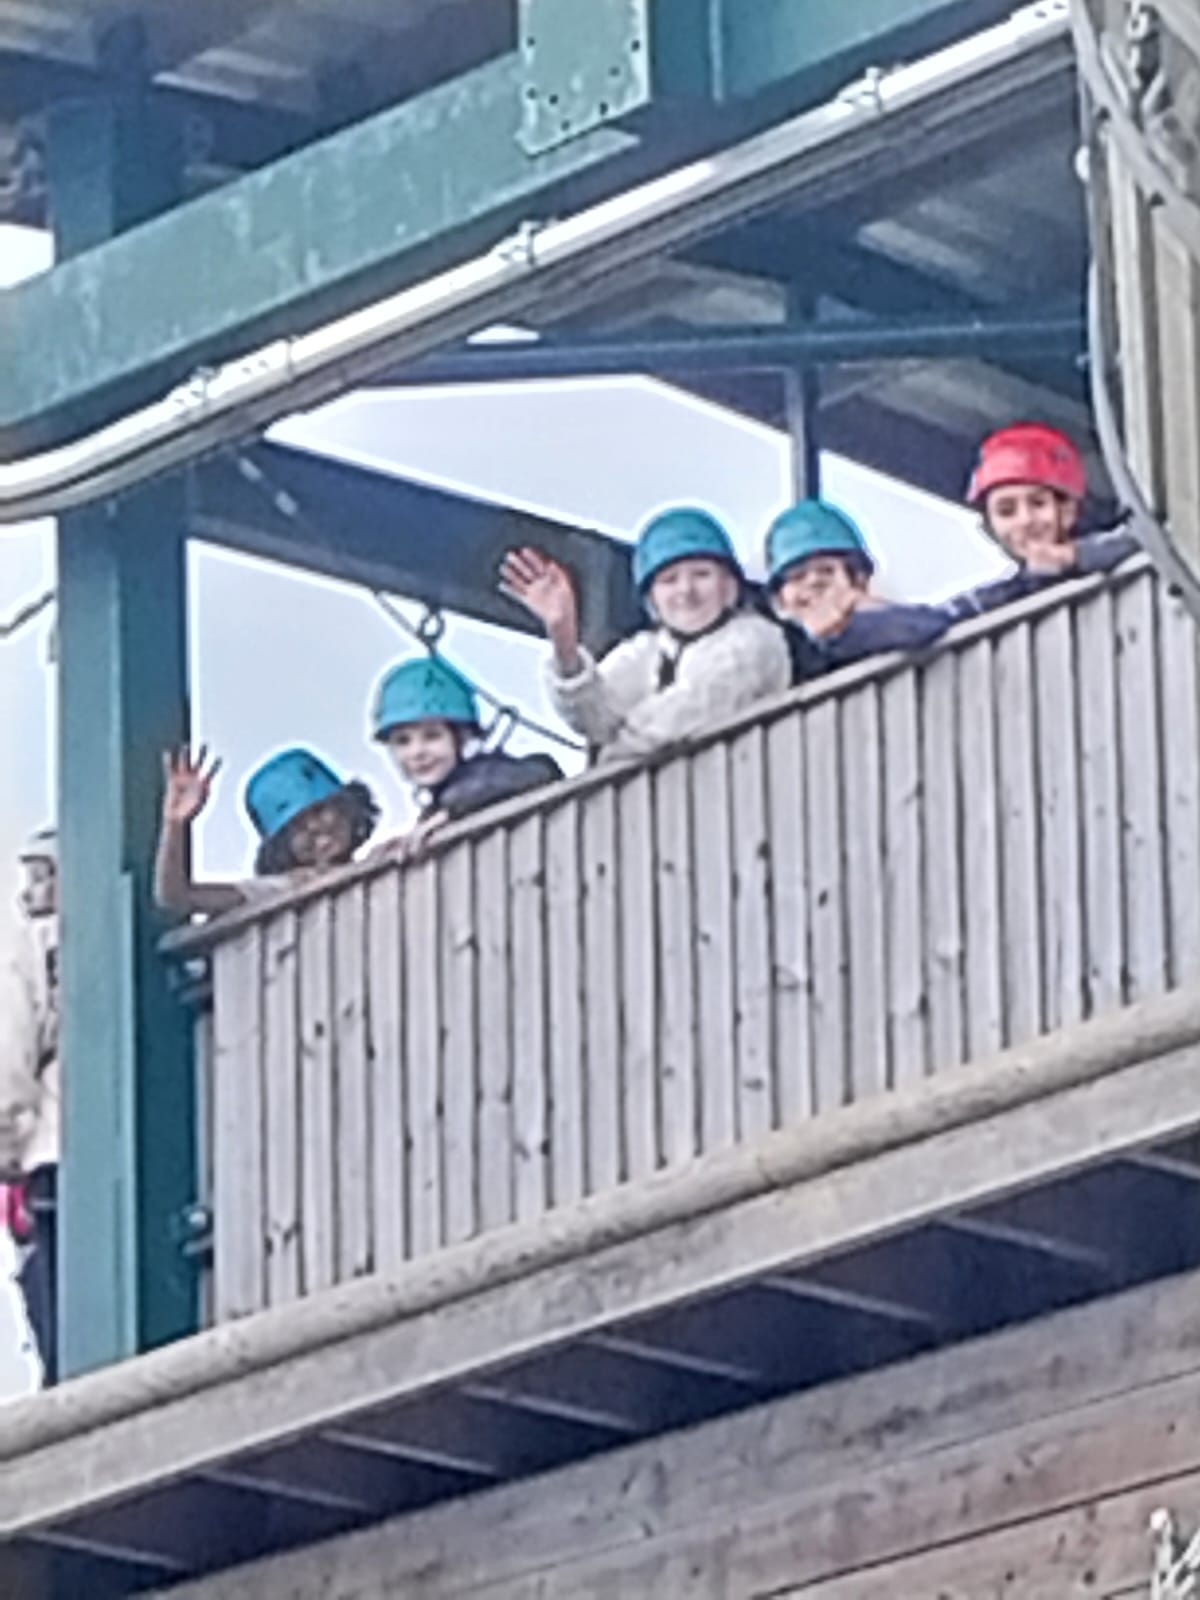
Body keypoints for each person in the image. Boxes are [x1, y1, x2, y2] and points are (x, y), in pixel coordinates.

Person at [499, 508, 791, 762]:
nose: (686, 591)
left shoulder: (755, 640)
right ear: (652, 601)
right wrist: (564, 638)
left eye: (701, 575)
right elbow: (593, 717)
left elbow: (689, 714)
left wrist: (613, 751)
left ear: (730, 587)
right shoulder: (646, 651)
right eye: (669, 580)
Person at [155, 745, 380, 917]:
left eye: (320, 810)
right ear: (281, 846)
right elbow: (175, 897)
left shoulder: (379, 867)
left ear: (348, 808)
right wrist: (175, 824)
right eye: (296, 827)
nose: (314, 827)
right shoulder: (279, 889)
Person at [371, 655, 562, 854]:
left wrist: (450, 812)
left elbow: (541, 770)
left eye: (432, 736)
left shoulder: (490, 773)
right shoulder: (436, 811)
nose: (417, 752)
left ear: (462, 737)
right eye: (403, 741)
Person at [947, 423, 1139, 618]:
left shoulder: (1122, 548)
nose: (1025, 520)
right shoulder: (1009, 593)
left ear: (1067, 511)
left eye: (1038, 503)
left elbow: (1150, 540)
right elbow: (978, 602)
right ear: (990, 527)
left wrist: (1072, 556)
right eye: (1006, 511)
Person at [0, 828, 61, 1385]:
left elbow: (10, 1055)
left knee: (55, 1286)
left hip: (50, 1147)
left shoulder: (31, 944)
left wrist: (6, 1148)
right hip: (133, 1143)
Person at [764, 499, 950, 678]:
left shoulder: (874, 632)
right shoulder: (774, 649)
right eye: (797, 576)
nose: (813, 582)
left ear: (858, 579)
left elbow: (928, 627)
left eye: (826, 571)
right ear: (779, 599)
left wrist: (860, 609)